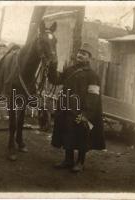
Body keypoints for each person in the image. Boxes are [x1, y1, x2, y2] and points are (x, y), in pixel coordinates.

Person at [47, 43, 106, 172]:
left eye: (84, 54)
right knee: (67, 133)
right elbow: (56, 80)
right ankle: (68, 160)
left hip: (82, 111)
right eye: (79, 52)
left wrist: (85, 114)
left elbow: (93, 96)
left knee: (82, 135)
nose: (80, 55)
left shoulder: (93, 75)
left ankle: (80, 162)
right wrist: (52, 66)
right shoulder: (69, 70)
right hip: (66, 109)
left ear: (89, 58)